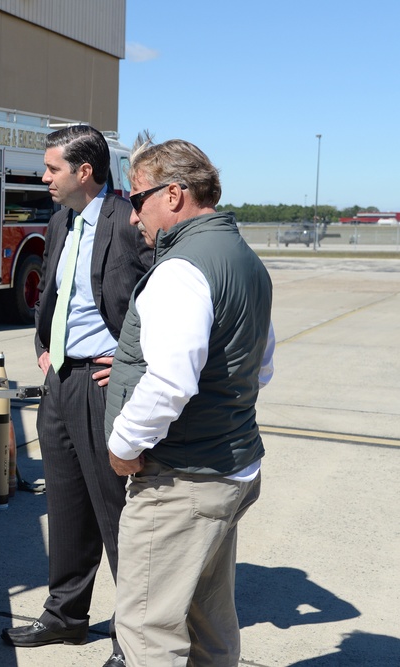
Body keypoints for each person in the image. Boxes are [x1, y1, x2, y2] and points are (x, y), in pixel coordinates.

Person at [104, 138, 276, 666]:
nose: (134, 218)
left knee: (147, 629)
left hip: (183, 479)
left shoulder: (182, 269)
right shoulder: (243, 259)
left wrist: (123, 443)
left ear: (173, 194)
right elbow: (260, 363)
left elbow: (170, 382)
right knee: (209, 620)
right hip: (229, 468)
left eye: (137, 199)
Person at [1, 125, 152, 667]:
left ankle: (134, 641)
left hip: (102, 383)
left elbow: (163, 291)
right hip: (60, 380)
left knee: (116, 513)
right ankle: (65, 617)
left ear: (84, 172)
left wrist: (137, 357)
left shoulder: (127, 221)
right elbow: (58, 293)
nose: (43, 177)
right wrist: (45, 346)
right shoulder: (63, 218)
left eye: (52, 168)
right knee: (65, 504)